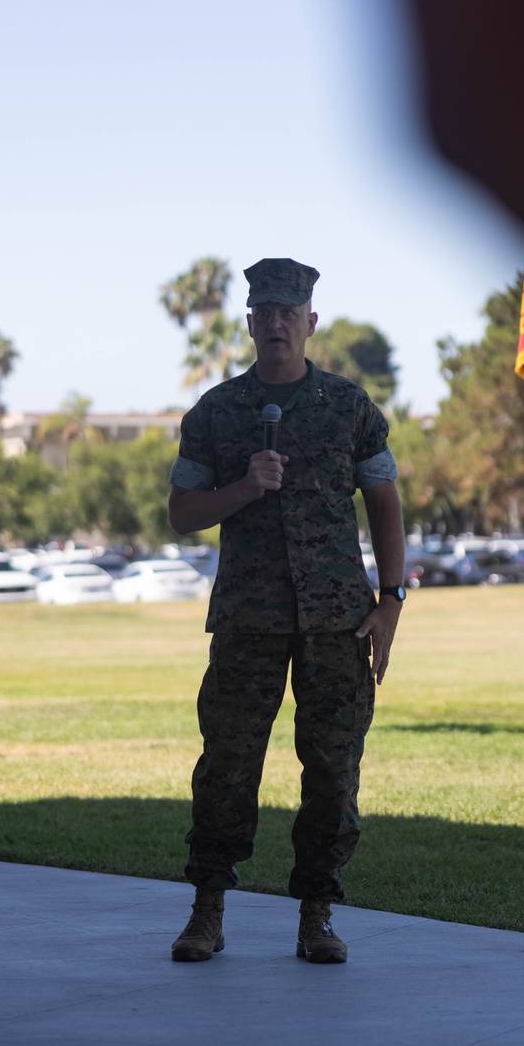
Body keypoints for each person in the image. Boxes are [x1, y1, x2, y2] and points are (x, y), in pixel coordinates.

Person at [166, 257, 406, 965]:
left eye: (288, 312)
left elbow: (386, 504)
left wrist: (392, 602)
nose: (276, 322)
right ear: (249, 324)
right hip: (248, 620)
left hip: (337, 619)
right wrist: (243, 488)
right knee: (228, 768)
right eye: (264, 311)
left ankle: (318, 913)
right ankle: (207, 909)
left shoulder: (350, 406)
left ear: (310, 323)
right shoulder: (215, 413)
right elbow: (181, 512)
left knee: (333, 770)